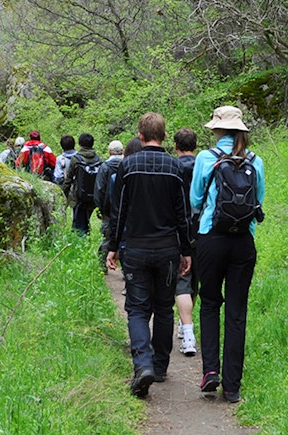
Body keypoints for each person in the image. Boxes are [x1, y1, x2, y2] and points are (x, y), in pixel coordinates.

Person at [106, 112, 191, 398]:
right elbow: (182, 215)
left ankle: (143, 365)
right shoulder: (174, 167)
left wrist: (113, 246)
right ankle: (161, 365)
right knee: (165, 308)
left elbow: (119, 213)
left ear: (140, 136)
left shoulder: (127, 166)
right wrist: (186, 249)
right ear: (165, 136)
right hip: (167, 248)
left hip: (137, 247)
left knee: (138, 308)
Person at [190, 106, 265, 403]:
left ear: (216, 130)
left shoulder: (206, 158)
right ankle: (232, 386)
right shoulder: (255, 161)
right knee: (236, 312)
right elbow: (257, 202)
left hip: (211, 239)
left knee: (209, 303)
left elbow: (196, 198)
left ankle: (210, 372)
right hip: (243, 243)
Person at [173, 127, 199, 357]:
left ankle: (187, 333)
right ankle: (185, 324)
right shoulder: (205, 165)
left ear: (175, 146)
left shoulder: (172, 167)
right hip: (203, 229)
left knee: (183, 279)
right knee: (195, 279)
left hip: (178, 230)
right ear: (196, 145)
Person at [62, 133, 101, 235]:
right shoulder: (98, 159)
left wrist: (63, 194)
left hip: (78, 196)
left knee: (78, 223)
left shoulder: (76, 159)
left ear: (79, 144)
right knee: (86, 219)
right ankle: (86, 237)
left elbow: (69, 179)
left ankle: (80, 241)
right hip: (93, 195)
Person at [94, 140, 124, 269]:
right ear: (122, 151)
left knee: (107, 236)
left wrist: (100, 208)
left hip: (108, 208)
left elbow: (99, 189)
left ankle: (103, 265)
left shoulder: (105, 166)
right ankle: (125, 270)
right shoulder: (126, 164)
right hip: (124, 208)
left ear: (109, 151)